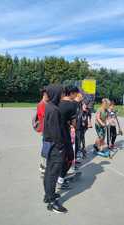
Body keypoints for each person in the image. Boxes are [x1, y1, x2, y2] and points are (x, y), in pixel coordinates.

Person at [43, 84, 67, 213]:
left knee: (49, 172)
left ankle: (48, 195)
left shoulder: (50, 106)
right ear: (57, 94)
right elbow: (55, 132)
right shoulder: (54, 110)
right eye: (62, 93)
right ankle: (52, 202)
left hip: (50, 145)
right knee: (53, 174)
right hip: (55, 147)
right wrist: (61, 147)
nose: (63, 96)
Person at [57, 86, 79, 190]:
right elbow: (74, 123)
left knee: (58, 157)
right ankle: (60, 179)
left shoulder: (57, 102)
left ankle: (57, 176)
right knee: (70, 157)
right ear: (72, 93)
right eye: (76, 94)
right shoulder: (72, 105)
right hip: (64, 135)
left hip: (55, 134)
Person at [35, 89, 49, 173]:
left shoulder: (47, 104)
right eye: (47, 94)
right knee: (46, 147)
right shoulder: (41, 104)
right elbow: (45, 116)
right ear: (44, 95)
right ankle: (43, 166)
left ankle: (45, 165)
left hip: (48, 129)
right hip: (46, 129)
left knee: (47, 146)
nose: (49, 96)